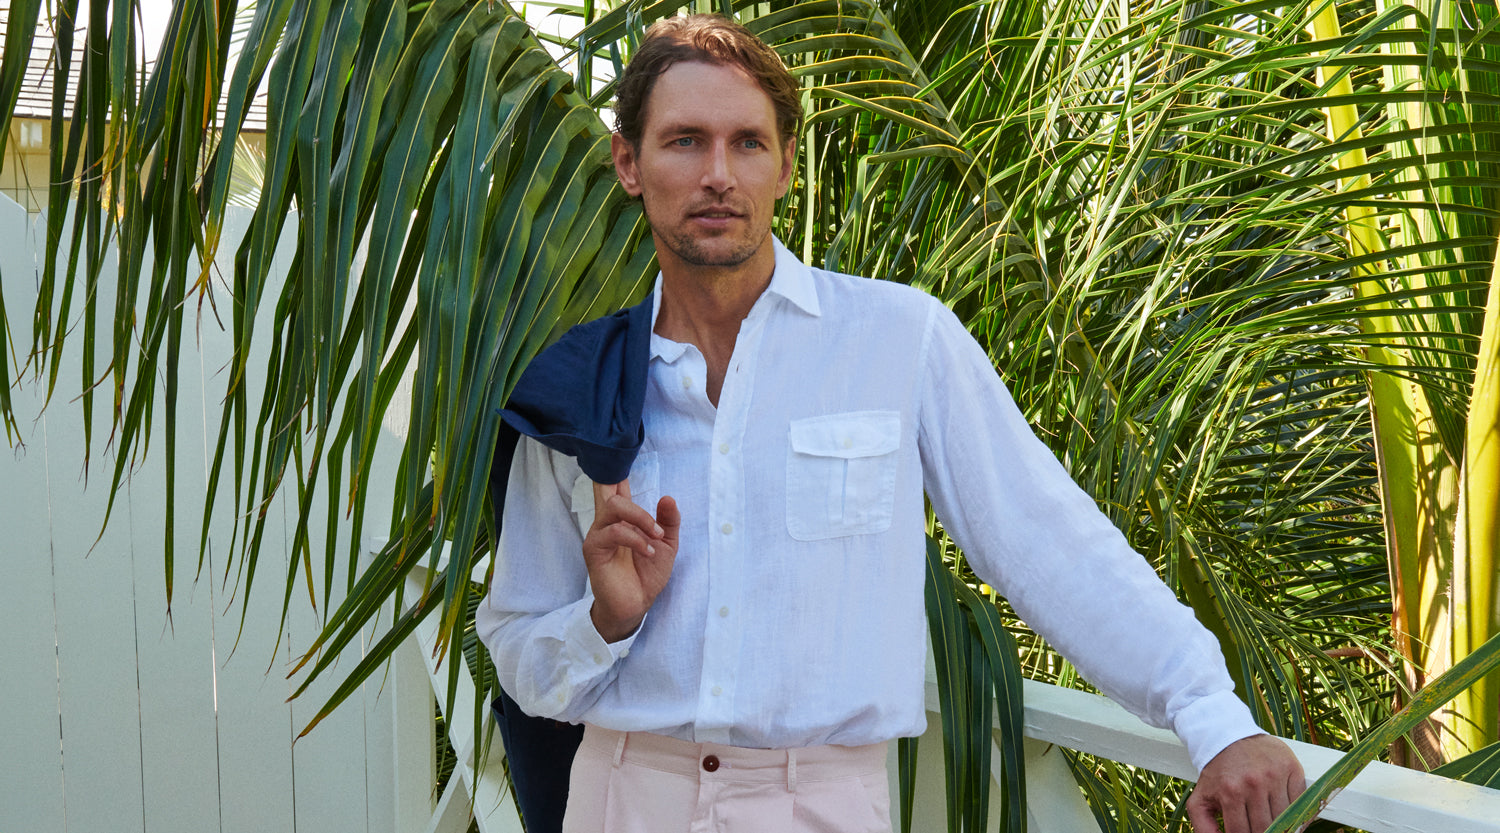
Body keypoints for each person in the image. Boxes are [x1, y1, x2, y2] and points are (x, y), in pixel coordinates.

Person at [476, 13, 1305, 833]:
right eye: (685, 141)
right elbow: (517, 645)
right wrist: (605, 621)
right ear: (630, 162)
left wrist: (1213, 716)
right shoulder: (580, 388)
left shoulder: (898, 340)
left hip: (822, 803)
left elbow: (1045, 541)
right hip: (625, 796)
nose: (718, 174)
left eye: (748, 143)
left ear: (786, 164)